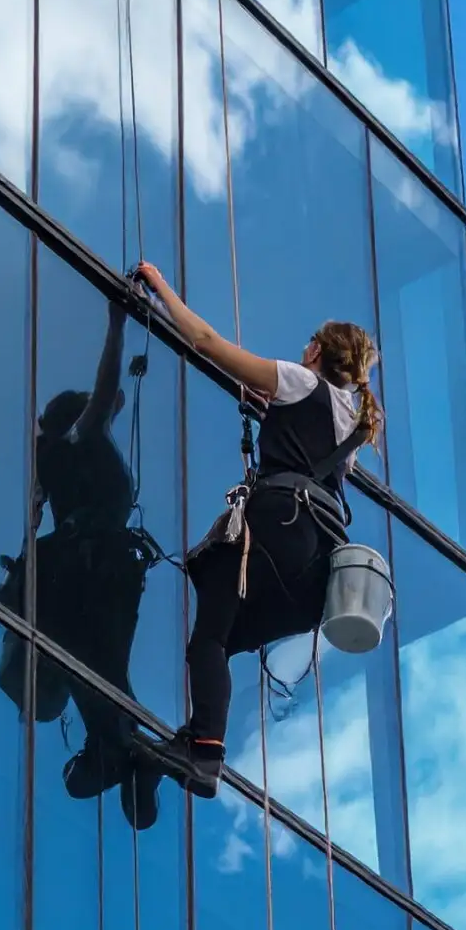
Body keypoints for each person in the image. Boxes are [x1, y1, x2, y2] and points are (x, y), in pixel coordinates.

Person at [130, 261, 383, 799]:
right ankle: (197, 740)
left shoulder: (298, 382)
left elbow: (203, 340)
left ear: (316, 352)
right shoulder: (354, 428)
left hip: (278, 531)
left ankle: (204, 752)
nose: (302, 349)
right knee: (218, 645)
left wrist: (158, 287)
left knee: (208, 639)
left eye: (308, 342)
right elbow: (309, 449)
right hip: (316, 576)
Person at [19, 301, 164, 823]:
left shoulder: (57, 455)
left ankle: (120, 748)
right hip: (95, 572)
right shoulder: (75, 443)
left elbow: (111, 395)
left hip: (92, 572)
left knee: (97, 665)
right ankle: (122, 748)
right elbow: (107, 391)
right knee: (98, 664)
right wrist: (116, 325)